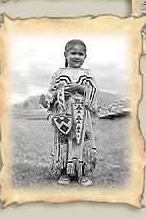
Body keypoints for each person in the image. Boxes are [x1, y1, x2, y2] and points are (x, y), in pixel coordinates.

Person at [40, 39, 98, 186]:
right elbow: (51, 92)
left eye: (81, 54)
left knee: (81, 141)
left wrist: (80, 88)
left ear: (85, 56)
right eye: (73, 53)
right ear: (65, 54)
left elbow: (93, 92)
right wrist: (56, 95)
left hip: (81, 116)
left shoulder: (87, 73)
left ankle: (81, 173)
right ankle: (65, 173)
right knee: (65, 141)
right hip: (64, 115)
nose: (77, 56)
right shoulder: (59, 73)